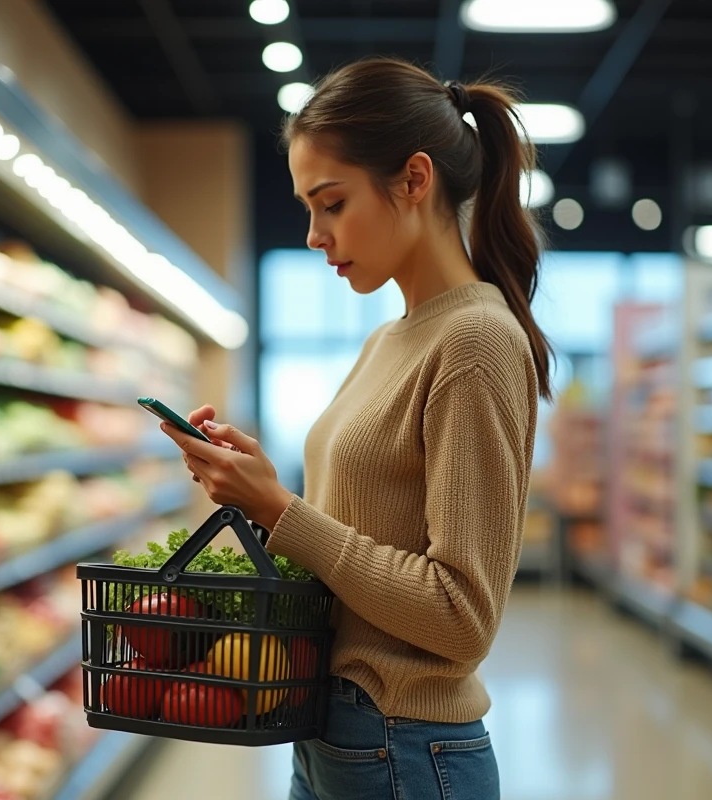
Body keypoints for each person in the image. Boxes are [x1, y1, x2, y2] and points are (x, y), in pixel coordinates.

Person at [158, 56, 554, 800]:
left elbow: (461, 616)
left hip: (405, 745)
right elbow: (365, 529)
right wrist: (264, 487)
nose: (314, 234)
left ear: (414, 178)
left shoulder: (474, 342)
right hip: (336, 734)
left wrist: (282, 512)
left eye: (331, 203)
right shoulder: (389, 339)